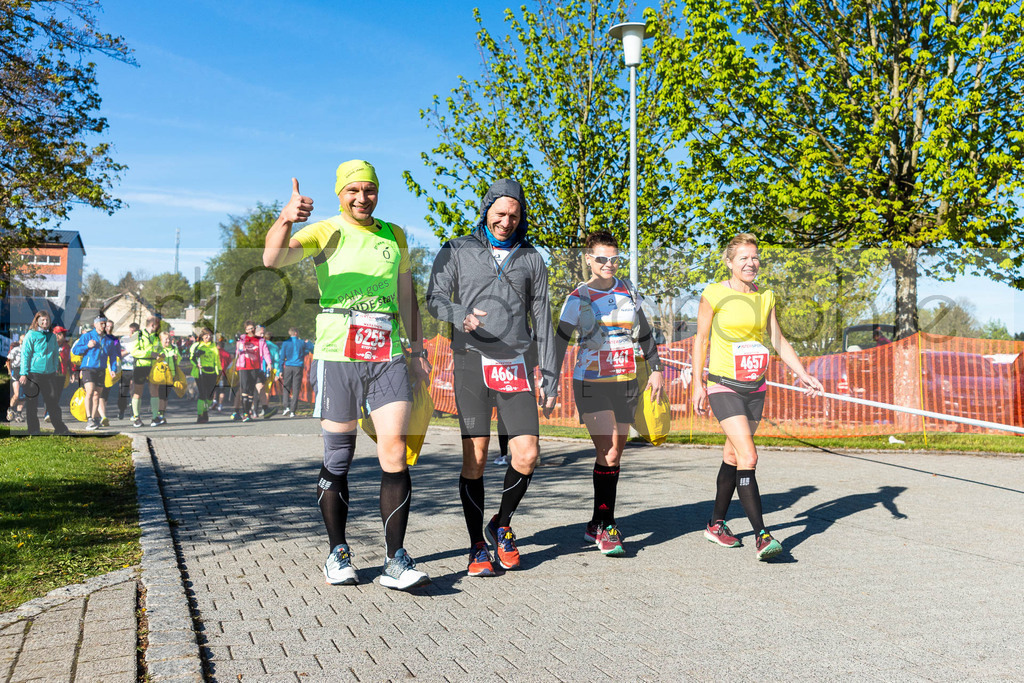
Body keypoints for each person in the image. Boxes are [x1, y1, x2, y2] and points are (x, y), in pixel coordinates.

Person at [263, 160, 431, 591]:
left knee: (395, 450)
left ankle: (395, 559)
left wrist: (417, 349)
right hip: (338, 354)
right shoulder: (325, 231)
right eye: (353, 190)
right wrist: (285, 219)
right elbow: (272, 258)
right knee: (339, 457)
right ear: (340, 194)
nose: (361, 198)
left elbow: (406, 294)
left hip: (388, 353)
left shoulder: (394, 235)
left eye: (369, 190)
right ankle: (337, 552)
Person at [426, 178, 558, 577]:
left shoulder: (531, 258)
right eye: (500, 213)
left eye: (514, 216)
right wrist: (459, 315)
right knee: (477, 458)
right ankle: (476, 546)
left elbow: (543, 319)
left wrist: (549, 374)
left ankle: (501, 524)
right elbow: (434, 298)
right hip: (471, 361)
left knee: (527, 454)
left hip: (515, 363)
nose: (506, 222)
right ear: (486, 211)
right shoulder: (456, 249)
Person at [691, 233, 824, 561]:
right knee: (749, 457)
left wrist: (802, 373)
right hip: (724, 385)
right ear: (729, 262)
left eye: (754, 257)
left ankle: (715, 525)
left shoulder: (766, 296)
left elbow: (778, 340)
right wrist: (697, 383)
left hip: (756, 388)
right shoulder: (714, 293)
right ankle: (762, 536)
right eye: (743, 258)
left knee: (733, 455)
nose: (750, 263)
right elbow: (701, 340)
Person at [552, 230, 664, 556]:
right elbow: (560, 341)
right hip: (591, 382)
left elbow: (645, 333)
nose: (609, 264)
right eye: (601, 258)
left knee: (613, 456)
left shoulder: (628, 291)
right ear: (589, 259)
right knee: (609, 451)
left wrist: (656, 369)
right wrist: (550, 380)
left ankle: (595, 522)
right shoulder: (578, 297)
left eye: (614, 259)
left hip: (625, 381)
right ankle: (607, 526)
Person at [19, 311, 70, 436]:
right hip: (33, 374)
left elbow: (55, 354)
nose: (45, 322)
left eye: (47, 320)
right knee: (32, 403)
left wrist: (55, 368)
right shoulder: (31, 335)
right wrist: (23, 373)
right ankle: (33, 429)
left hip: (49, 374)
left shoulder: (52, 336)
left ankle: (60, 428)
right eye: (42, 320)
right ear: (37, 321)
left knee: (53, 402)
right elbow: (25, 354)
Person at [71, 315, 113, 430]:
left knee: (97, 395)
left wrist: (113, 368)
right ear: (95, 324)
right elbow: (75, 350)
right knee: (90, 391)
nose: (103, 325)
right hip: (88, 368)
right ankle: (89, 418)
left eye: (104, 323)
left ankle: (94, 418)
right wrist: (87, 346)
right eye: (101, 323)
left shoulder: (107, 339)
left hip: (101, 369)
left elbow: (112, 355)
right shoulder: (87, 336)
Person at [233, 321, 270, 422]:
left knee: (250, 391)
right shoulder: (242, 338)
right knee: (244, 389)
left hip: (255, 366)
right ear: (246, 330)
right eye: (248, 329)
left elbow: (266, 352)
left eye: (252, 328)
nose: (251, 330)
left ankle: (248, 412)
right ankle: (245, 413)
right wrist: (239, 342)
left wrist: (269, 363)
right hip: (243, 366)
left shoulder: (260, 340)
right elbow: (238, 350)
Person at [129, 316, 162, 428]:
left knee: (155, 390)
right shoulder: (137, 335)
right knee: (138, 392)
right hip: (141, 366)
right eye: (158, 325)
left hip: (154, 367)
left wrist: (161, 354)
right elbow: (134, 351)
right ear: (153, 324)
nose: (159, 327)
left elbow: (160, 349)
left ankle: (155, 417)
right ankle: (136, 417)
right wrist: (149, 354)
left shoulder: (156, 336)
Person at [279, 327, 314, 417]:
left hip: (288, 366)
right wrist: (308, 342)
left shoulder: (285, 343)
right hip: (298, 366)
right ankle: (292, 411)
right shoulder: (301, 342)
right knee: (296, 388)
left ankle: (286, 406)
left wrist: (280, 369)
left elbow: (282, 357)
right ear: (296, 333)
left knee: (286, 386)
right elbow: (312, 348)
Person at [189, 327, 220, 423]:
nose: (208, 337)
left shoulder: (213, 346)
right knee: (202, 394)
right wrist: (196, 361)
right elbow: (191, 357)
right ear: (202, 336)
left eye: (210, 335)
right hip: (200, 372)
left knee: (210, 396)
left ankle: (205, 410)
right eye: (206, 335)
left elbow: (217, 359)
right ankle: (200, 415)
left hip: (212, 372)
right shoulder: (197, 345)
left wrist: (219, 371)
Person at [149, 330, 179, 426]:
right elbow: (152, 357)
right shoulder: (157, 348)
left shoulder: (173, 348)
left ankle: (162, 415)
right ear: (160, 340)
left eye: (169, 339)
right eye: (166, 339)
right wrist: (158, 357)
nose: (168, 341)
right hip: (160, 375)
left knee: (165, 397)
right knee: (160, 396)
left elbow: (178, 361)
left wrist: (176, 358)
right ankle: (158, 415)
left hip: (170, 375)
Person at [95, 318, 122, 426]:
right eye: (107, 326)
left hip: (110, 367)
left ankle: (100, 416)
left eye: (111, 327)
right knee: (99, 392)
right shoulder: (99, 337)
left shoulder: (114, 340)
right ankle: (101, 416)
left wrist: (116, 367)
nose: (109, 328)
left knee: (105, 392)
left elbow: (117, 353)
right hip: (99, 366)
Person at [118, 322, 139, 420]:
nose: (132, 333)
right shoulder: (124, 339)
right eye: (131, 331)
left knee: (133, 390)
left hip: (135, 368)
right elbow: (119, 353)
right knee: (123, 391)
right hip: (124, 368)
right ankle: (121, 409)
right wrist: (128, 351)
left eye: (134, 332)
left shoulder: (140, 340)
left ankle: (133, 412)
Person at [7, 340, 24, 422]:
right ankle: (10, 409)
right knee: (17, 394)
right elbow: (8, 361)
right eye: (22, 341)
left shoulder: (31, 349)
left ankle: (19, 413)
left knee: (23, 395)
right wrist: (10, 371)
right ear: (20, 341)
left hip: (26, 372)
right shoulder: (16, 350)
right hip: (17, 371)